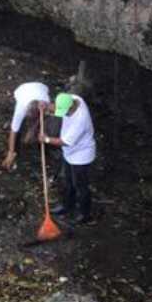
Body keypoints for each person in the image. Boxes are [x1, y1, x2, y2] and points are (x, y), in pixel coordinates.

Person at [40, 92, 96, 223]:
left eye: (64, 111)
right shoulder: (75, 99)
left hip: (81, 156)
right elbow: (58, 106)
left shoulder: (80, 120)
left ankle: (84, 215)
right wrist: (47, 106)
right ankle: (66, 206)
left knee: (81, 186)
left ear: (71, 108)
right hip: (69, 153)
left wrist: (46, 139)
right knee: (68, 181)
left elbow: (64, 142)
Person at [1, 81, 51, 169]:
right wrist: (10, 152)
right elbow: (13, 131)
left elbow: (41, 118)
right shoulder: (21, 107)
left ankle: (44, 151)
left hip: (41, 87)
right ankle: (15, 151)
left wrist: (32, 130)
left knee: (41, 124)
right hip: (22, 89)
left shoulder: (45, 103)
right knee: (17, 127)